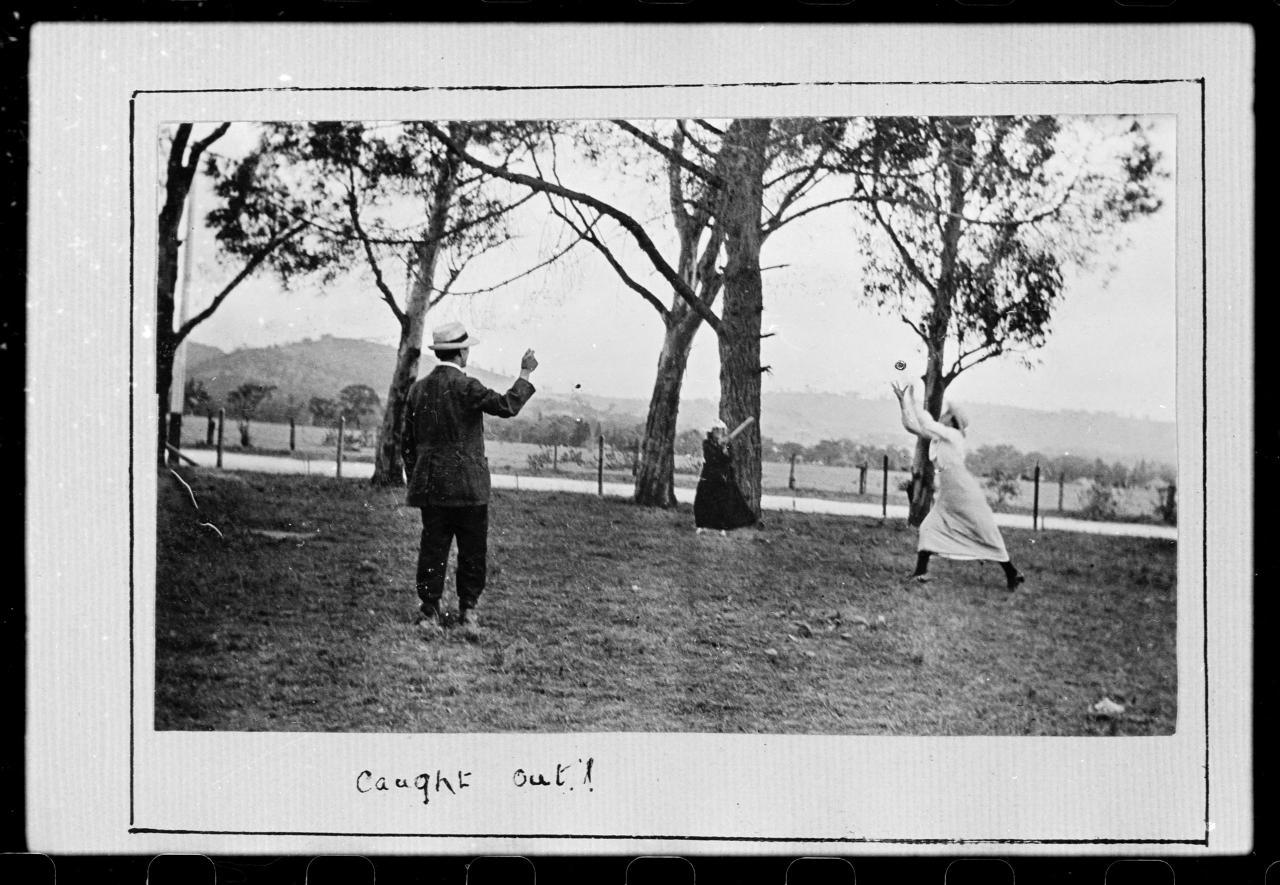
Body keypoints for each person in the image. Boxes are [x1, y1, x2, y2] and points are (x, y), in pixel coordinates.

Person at [402, 322, 538, 640]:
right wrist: (525, 372)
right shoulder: (467, 387)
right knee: (472, 550)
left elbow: (407, 443)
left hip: (431, 486)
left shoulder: (417, 389)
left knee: (433, 547)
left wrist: (417, 477)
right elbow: (507, 406)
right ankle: (468, 611)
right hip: (469, 488)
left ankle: (429, 611)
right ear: (462, 353)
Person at [891, 380, 1025, 591]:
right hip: (949, 490)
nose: (942, 415)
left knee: (984, 530)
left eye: (946, 414)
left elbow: (926, 423)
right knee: (928, 527)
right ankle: (921, 572)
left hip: (962, 489)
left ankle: (1012, 572)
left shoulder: (952, 435)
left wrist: (914, 401)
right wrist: (904, 401)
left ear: (952, 421)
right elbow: (913, 425)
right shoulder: (939, 437)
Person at [694, 418, 757, 533]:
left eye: (720, 430)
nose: (718, 432)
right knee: (703, 500)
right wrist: (719, 449)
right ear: (711, 432)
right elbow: (710, 457)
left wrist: (724, 449)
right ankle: (701, 525)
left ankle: (722, 527)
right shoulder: (707, 443)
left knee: (723, 501)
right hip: (709, 474)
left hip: (723, 475)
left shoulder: (727, 444)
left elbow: (728, 459)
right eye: (716, 430)